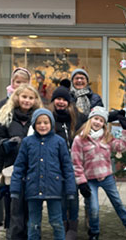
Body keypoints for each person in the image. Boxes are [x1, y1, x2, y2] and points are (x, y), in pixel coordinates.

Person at [71, 106, 126, 240]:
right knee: (94, 208)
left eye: (101, 120)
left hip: (106, 177)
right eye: (96, 119)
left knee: (118, 203)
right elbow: (76, 163)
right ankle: (94, 233)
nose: (98, 122)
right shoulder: (80, 139)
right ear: (90, 120)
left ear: (104, 124)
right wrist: (81, 182)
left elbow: (122, 146)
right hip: (90, 180)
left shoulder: (107, 137)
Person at [10, 108, 77, 240]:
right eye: (39, 123)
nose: (42, 126)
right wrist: (15, 188)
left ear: (51, 124)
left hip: (55, 189)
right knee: (33, 223)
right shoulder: (27, 142)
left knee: (57, 222)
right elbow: (19, 167)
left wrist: (70, 189)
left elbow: (67, 167)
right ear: (34, 124)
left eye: (46, 122)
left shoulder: (59, 142)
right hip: (33, 188)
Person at [0, 84, 42, 240]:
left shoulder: (39, 118)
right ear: (16, 97)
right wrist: (5, 144)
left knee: (32, 207)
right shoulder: (5, 116)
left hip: (34, 169)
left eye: (30, 97)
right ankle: (13, 235)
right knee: (14, 208)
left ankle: (31, 235)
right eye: (24, 97)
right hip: (11, 169)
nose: (27, 100)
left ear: (35, 100)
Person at [48, 85, 87, 240]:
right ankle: (62, 226)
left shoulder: (76, 116)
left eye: (65, 100)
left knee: (73, 196)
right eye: (58, 99)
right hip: (56, 166)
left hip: (74, 165)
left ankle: (73, 227)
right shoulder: (48, 117)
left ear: (69, 103)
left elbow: (93, 121)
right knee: (61, 197)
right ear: (53, 101)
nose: (61, 102)